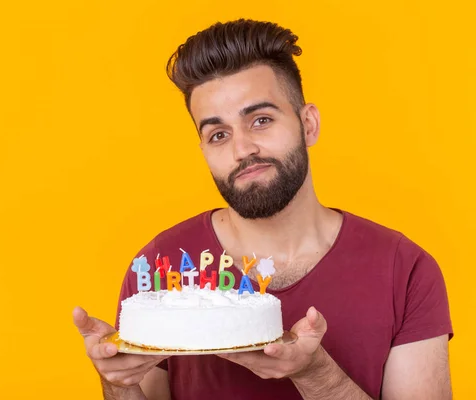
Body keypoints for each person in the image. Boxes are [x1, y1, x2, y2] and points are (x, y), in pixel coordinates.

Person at [73, 19, 453, 400]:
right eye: (218, 134)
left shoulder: (404, 271)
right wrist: (117, 383)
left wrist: (316, 374)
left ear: (308, 124)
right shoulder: (160, 267)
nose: (243, 149)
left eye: (261, 120)